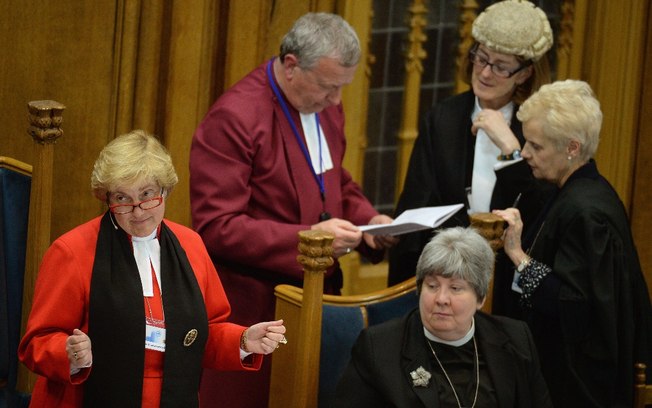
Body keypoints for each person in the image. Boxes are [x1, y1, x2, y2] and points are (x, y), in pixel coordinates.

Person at [189, 12, 397, 408]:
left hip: (318, 299)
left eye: (341, 88)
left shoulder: (324, 107)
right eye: (328, 86)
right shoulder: (234, 118)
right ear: (291, 65)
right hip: (254, 307)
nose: (336, 101)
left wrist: (369, 219)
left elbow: (333, 182)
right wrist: (309, 240)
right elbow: (217, 226)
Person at [18, 130, 287, 407]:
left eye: (147, 194)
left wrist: (243, 341)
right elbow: (36, 343)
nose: (138, 211)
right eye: (122, 198)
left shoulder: (190, 245)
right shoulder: (72, 251)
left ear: (165, 190)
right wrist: (69, 355)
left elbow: (203, 334)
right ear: (106, 198)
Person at [493, 79, 652, 407]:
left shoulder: (587, 213)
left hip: (576, 387)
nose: (525, 153)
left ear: (572, 148)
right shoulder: (569, 191)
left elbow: (572, 305)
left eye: (536, 147)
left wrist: (517, 255)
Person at [388, 0, 554, 297]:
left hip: (507, 285)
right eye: (481, 58)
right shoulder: (443, 118)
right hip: (446, 279)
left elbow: (541, 214)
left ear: (525, 74)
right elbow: (417, 207)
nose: (486, 73)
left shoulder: (539, 129)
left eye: (501, 66)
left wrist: (510, 149)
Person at [334, 227, 552, 407]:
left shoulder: (516, 339)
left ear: (480, 298)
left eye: (456, 288)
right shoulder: (379, 347)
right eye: (432, 285)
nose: (441, 298)